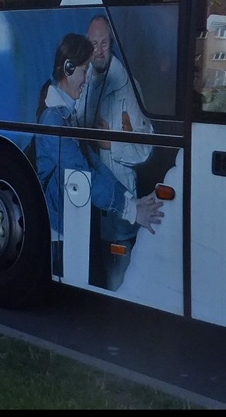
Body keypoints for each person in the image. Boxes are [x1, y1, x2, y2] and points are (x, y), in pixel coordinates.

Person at [35, 32, 162, 278]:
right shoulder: (54, 120)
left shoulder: (63, 114)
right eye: (84, 71)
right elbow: (83, 178)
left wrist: (130, 201)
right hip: (58, 231)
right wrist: (132, 211)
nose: (86, 79)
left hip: (67, 223)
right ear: (69, 69)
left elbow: (94, 164)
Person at [76, 14, 155, 290]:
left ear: (112, 44)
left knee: (117, 283)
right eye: (93, 44)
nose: (98, 51)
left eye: (104, 44)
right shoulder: (80, 81)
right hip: (85, 201)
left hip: (118, 206)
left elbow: (145, 149)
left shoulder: (128, 87)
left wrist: (112, 144)